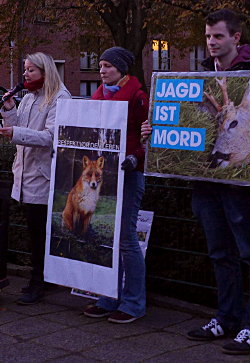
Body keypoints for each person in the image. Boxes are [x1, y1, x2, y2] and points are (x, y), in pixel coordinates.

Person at [174, 9, 250, 355]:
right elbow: (190, 126)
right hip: (206, 181)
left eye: (218, 36)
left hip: (242, 184)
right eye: (207, 37)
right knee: (220, 252)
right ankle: (227, 318)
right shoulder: (202, 76)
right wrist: (155, 131)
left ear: (236, 38)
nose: (211, 43)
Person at [81, 46, 148, 323]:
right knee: (108, 237)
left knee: (126, 239)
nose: (102, 70)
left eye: (108, 65)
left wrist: (136, 157)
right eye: (100, 65)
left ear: (122, 69)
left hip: (129, 174)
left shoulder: (138, 97)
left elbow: (150, 134)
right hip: (107, 175)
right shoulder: (99, 95)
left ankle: (133, 303)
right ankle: (108, 297)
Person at [0, 52, 71, 305]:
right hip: (24, 171)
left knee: (40, 233)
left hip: (42, 175)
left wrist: (16, 132)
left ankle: (38, 283)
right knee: (34, 230)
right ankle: (42, 279)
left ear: (44, 71)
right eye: (25, 70)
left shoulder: (59, 98)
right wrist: (9, 112)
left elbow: (52, 137)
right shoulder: (29, 97)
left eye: (30, 70)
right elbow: (19, 126)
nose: (25, 75)